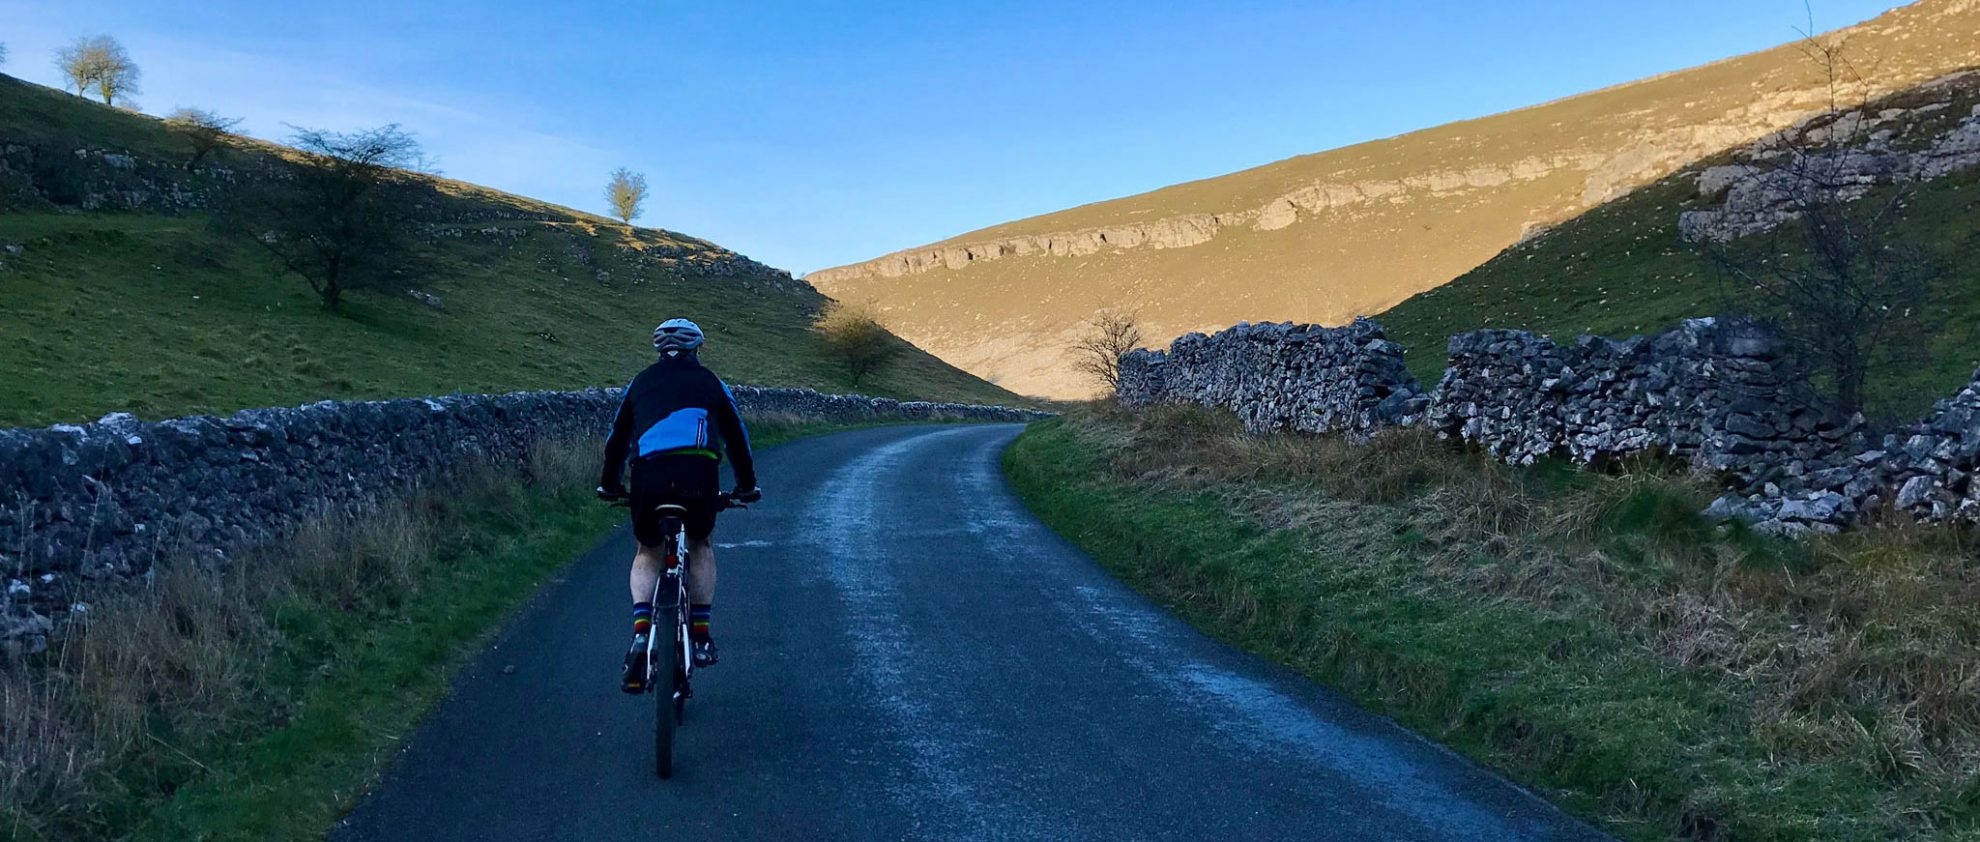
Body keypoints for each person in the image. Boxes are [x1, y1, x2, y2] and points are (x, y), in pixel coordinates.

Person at [598, 318, 760, 693]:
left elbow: (617, 438)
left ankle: (641, 632)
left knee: (648, 550)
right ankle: (701, 637)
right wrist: (746, 485)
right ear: (697, 350)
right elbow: (737, 436)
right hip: (697, 476)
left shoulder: (640, 382)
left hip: (648, 477)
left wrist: (609, 484)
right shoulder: (711, 383)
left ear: (659, 351)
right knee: (701, 544)